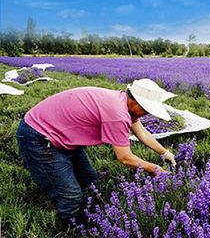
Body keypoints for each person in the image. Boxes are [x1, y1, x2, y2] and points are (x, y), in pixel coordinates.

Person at [16, 78, 177, 224]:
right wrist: (155, 169)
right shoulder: (117, 114)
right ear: (136, 103)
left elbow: (141, 132)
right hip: (38, 136)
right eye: (147, 109)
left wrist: (164, 153)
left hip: (60, 133)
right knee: (72, 197)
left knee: (90, 181)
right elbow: (125, 158)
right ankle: (68, 226)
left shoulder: (122, 100)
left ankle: (86, 211)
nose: (148, 113)